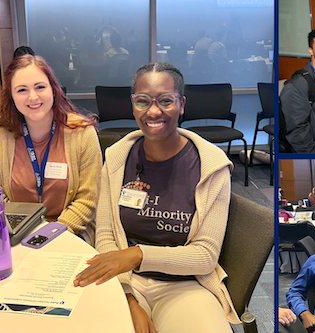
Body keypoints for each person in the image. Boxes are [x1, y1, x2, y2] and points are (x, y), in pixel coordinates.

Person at [73, 62, 237, 333]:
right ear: (132, 104)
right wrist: (127, 296)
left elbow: (205, 256)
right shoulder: (116, 158)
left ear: (182, 104)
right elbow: (105, 236)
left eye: (165, 101)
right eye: (142, 101)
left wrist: (137, 255)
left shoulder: (212, 166)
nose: (153, 111)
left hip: (185, 285)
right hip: (123, 280)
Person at [0, 54, 101, 242]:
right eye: (22, 90)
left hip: (69, 235)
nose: (33, 97)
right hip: (15, 237)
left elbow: (88, 199)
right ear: (11, 96)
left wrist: (51, 235)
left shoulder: (81, 133)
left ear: (53, 90)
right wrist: (20, 233)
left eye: (40, 87)